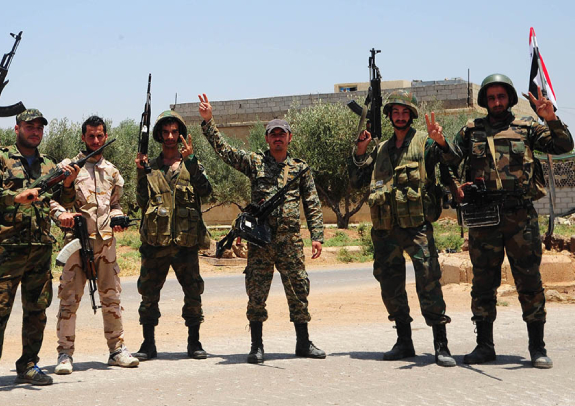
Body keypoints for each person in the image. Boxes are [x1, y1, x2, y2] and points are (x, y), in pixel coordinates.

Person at [448, 75, 573, 369]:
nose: (496, 102)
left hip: (521, 216)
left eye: (501, 97)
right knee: (482, 283)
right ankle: (484, 345)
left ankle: (537, 347)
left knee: (529, 281)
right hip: (484, 217)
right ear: (485, 102)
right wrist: (455, 187)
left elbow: (564, 145)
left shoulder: (527, 128)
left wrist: (551, 117)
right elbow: (447, 159)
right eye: (491, 98)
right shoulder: (471, 131)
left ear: (509, 99)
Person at [198, 94, 325, 364]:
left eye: (282, 134)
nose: (278, 138)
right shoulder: (255, 163)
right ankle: (256, 346)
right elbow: (226, 152)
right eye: (273, 134)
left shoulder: (301, 169)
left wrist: (317, 236)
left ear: (290, 138)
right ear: (267, 139)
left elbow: (312, 203)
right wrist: (209, 122)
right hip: (261, 241)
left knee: (298, 290)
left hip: (290, 242)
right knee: (256, 294)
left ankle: (303, 343)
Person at [0, 109, 79, 394]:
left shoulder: (49, 164)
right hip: (6, 249)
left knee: (37, 311)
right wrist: (15, 197)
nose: (35, 131)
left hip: (39, 249)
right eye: (29, 126)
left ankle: (29, 364)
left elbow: (61, 201)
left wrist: (67, 184)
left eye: (39, 128)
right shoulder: (2, 157)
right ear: (17, 128)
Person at [349, 91, 457, 367]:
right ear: (389, 116)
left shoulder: (424, 143)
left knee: (428, 279)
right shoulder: (381, 149)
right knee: (389, 284)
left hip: (416, 226)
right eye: (395, 112)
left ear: (411, 115)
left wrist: (442, 142)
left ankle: (441, 344)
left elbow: (452, 162)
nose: (400, 116)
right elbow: (356, 179)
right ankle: (404, 340)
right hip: (385, 230)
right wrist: (360, 151)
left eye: (404, 112)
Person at [53, 115, 139, 374]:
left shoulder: (112, 171)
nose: (96, 140)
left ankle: (117, 349)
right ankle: (65, 354)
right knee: (69, 299)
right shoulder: (67, 167)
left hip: (105, 245)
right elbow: (54, 200)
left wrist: (118, 218)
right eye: (90, 136)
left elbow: (115, 205)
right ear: (83, 137)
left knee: (111, 298)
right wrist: (64, 207)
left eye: (100, 135)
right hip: (76, 245)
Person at [133, 110, 213, 361]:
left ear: (180, 135)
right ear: (159, 135)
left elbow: (207, 191)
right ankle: (148, 344)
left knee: (193, 292)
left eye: (174, 132)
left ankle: (194, 342)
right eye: (165, 132)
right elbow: (140, 200)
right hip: (155, 243)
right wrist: (139, 172)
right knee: (148, 294)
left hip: (185, 243)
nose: (170, 136)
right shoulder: (150, 167)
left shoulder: (191, 164)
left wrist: (191, 163)